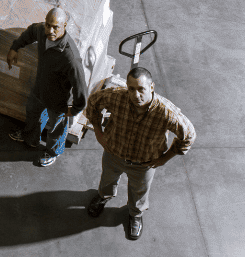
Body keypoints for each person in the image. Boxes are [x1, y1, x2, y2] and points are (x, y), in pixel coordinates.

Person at [83, 66, 196, 241]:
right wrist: (98, 131)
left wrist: (165, 158)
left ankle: (135, 214)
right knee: (107, 179)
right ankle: (103, 196)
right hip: (114, 153)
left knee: (139, 191)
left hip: (144, 163)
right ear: (127, 87)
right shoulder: (117, 97)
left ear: (151, 87)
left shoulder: (166, 112)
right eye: (131, 89)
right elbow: (93, 101)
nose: (136, 95)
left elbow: (188, 135)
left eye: (141, 89)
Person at [6, 8, 88, 167]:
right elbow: (30, 32)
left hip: (58, 99)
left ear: (65, 25)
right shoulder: (42, 32)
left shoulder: (70, 58)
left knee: (57, 128)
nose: (50, 30)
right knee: (32, 113)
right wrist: (14, 47)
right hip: (39, 88)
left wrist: (76, 109)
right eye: (48, 25)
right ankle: (30, 138)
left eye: (55, 27)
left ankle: (52, 152)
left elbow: (81, 87)